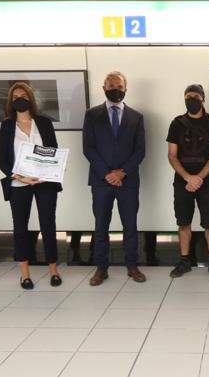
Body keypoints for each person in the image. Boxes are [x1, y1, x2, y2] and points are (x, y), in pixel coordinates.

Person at [82, 71, 146, 286]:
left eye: (119, 86)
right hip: (101, 182)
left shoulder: (136, 117)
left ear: (125, 90)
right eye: (111, 86)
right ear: (104, 88)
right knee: (101, 226)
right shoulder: (92, 115)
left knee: (130, 226)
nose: (115, 89)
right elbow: (88, 148)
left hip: (128, 182)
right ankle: (101, 269)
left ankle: (132, 266)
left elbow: (140, 151)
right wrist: (107, 174)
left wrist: (121, 173)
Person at [0, 82, 63, 289]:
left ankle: (53, 270)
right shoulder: (7, 125)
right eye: (15, 97)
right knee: (20, 228)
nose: (19, 99)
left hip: (45, 182)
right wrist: (19, 177)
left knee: (48, 225)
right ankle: (24, 273)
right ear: (10, 102)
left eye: (23, 96)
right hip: (19, 183)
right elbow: (1, 160)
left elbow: (54, 151)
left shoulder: (43, 122)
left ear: (30, 99)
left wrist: (54, 168)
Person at [167, 84, 209, 279]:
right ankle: (184, 261)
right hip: (183, 180)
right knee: (183, 222)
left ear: (202, 99)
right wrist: (188, 178)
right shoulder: (176, 123)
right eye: (188, 96)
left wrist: (199, 178)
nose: (191, 99)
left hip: (207, 181)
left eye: (195, 96)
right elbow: (172, 156)